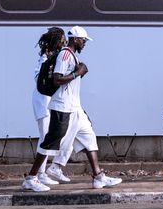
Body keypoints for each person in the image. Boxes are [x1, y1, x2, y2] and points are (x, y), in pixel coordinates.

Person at [23, 25, 122, 191]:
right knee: (50, 142)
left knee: (89, 137)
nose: (85, 43)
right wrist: (79, 72)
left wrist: (81, 109)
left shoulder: (72, 56)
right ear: (76, 39)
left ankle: (98, 177)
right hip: (62, 107)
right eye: (83, 40)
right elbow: (57, 80)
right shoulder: (65, 54)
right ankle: (31, 178)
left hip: (74, 107)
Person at [25, 27, 74, 191]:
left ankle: (43, 172)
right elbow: (39, 79)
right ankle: (38, 175)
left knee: (53, 135)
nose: (64, 41)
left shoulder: (58, 54)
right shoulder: (46, 56)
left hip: (51, 100)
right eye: (61, 38)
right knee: (45, 135)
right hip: (42, 99)